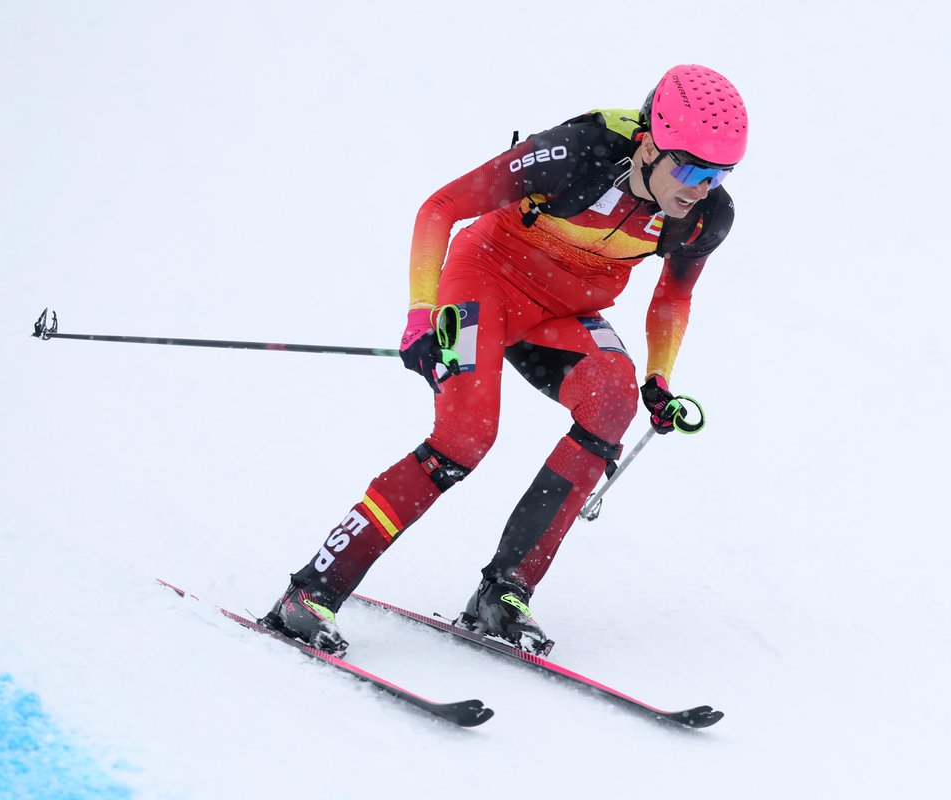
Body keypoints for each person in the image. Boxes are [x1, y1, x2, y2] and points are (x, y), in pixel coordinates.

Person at [260, 64, 748, 656]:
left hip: (563, 314)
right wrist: (420, 314)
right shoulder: (575, 155)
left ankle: (505, 591)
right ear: (647, 142)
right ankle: (311, 593)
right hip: (485, 283)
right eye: (691, 166)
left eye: (720, 171)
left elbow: (673, 295)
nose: (702, 185)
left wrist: (658, 379)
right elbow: (440, 207)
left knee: (612, 400)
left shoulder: (704, 214)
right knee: (464, 439)